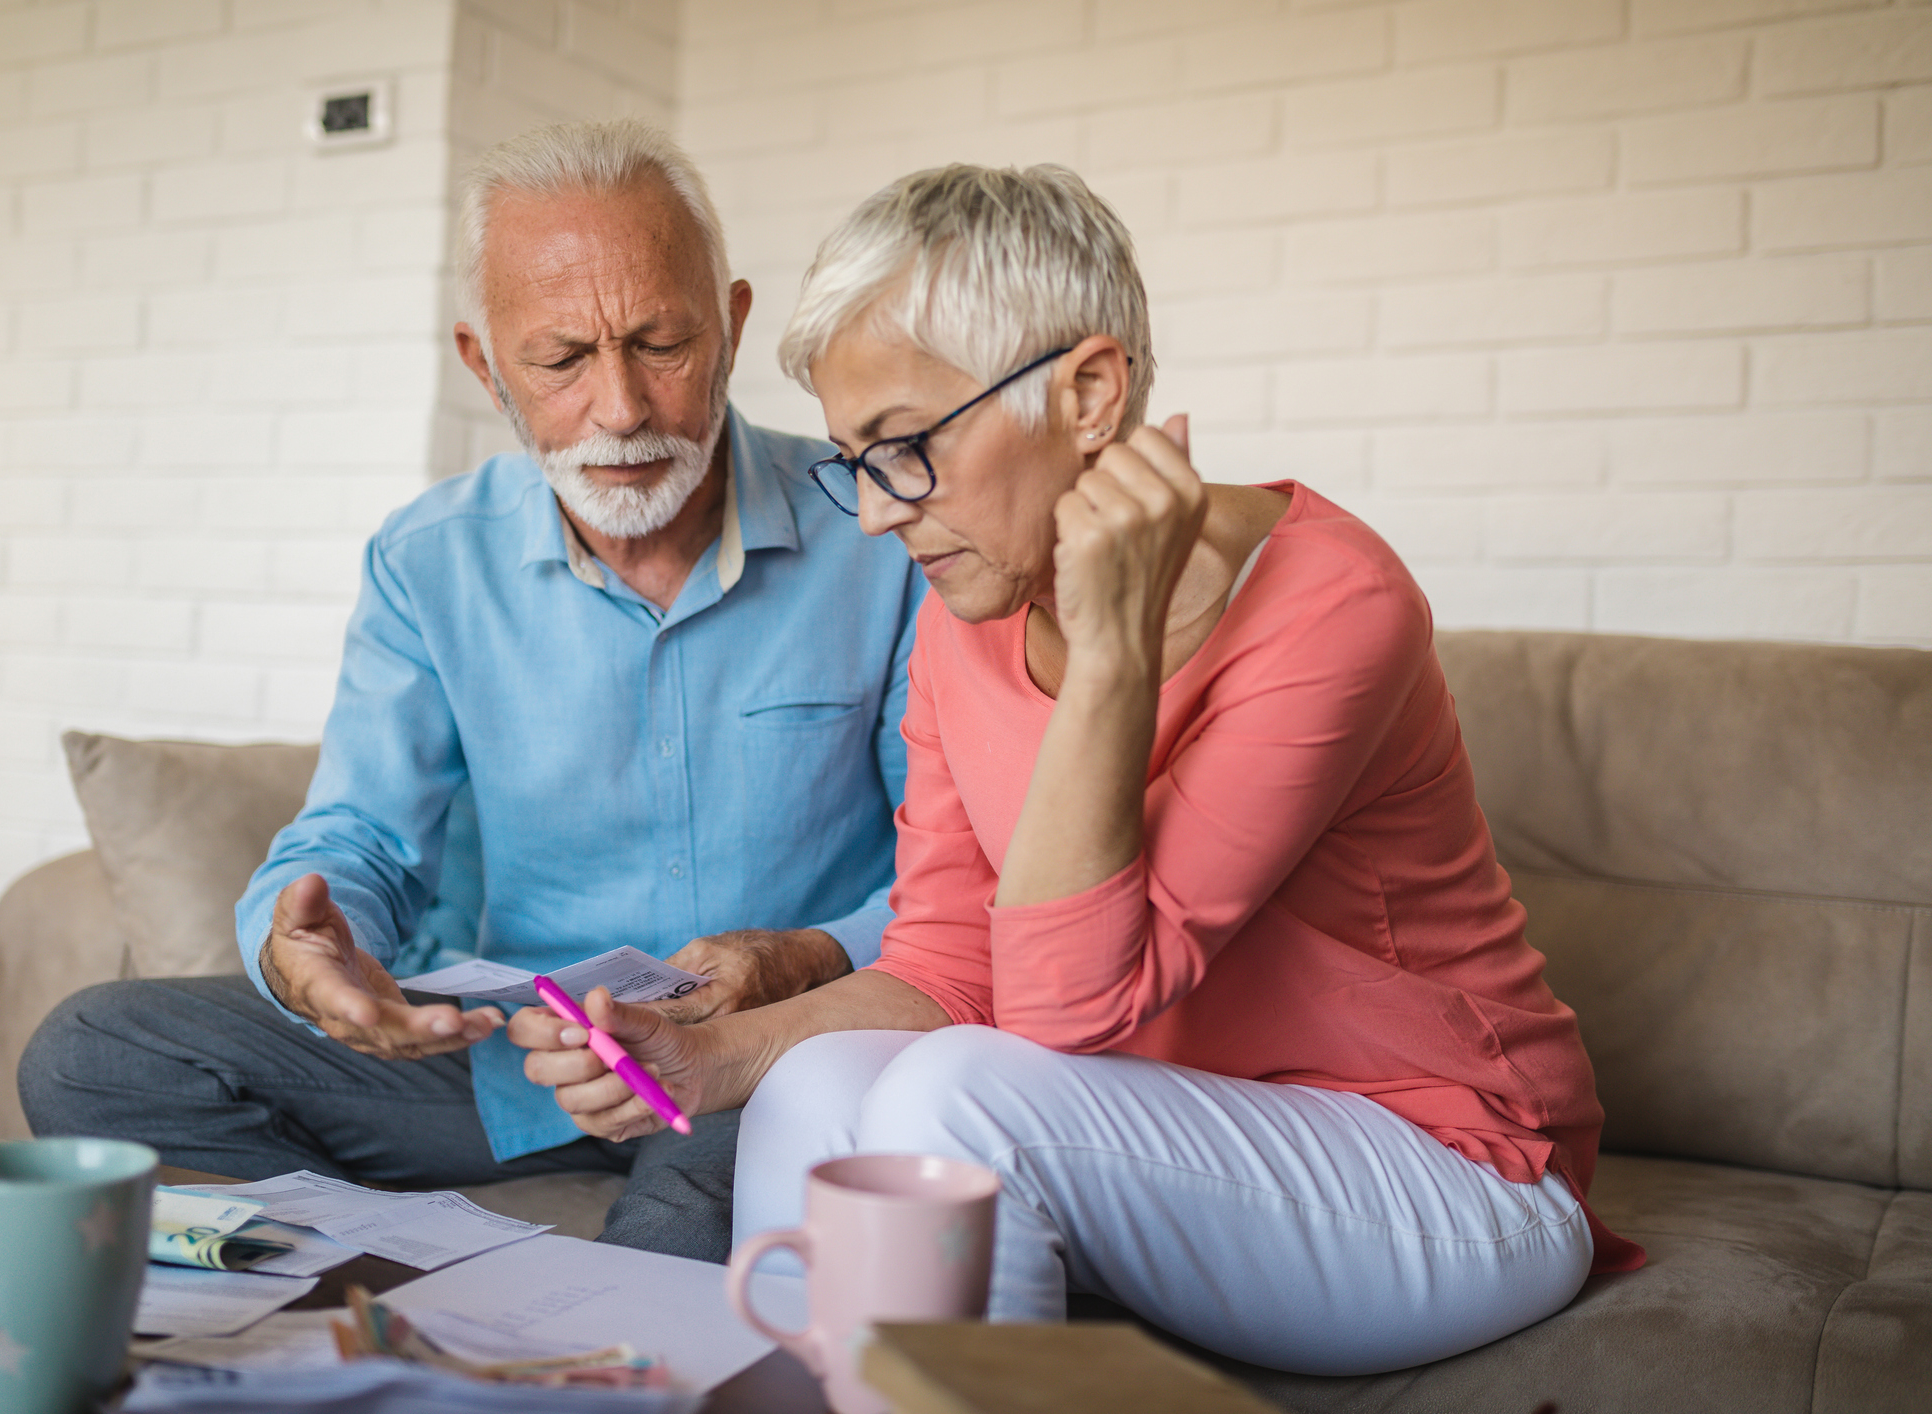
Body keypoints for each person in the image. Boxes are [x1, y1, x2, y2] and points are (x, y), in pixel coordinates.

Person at [510, 163, 1644, 1371]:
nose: (880, 516)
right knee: (815, 1085)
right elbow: (950, 960)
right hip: (1161, 1144)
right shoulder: (964, 610)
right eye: (855, 462)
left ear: (1090, 391)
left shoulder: (1334, 603)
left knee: (953, 1101)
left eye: (903, 449)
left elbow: (1062, 1008)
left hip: (1453, 1173)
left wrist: (1111, 653)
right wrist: (713, 1056)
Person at [18, 120, 923, 1264]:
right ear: (483, 362)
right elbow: (359, 835)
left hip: (764, 1059)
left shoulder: (882, 533)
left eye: (661, 342)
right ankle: (381, 1294)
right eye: (560, 360)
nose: (623, 408)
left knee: (684, 1225)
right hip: (511, 1070)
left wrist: (792, 962)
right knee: (94, 1049)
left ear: (733, 326)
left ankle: (552, 1311)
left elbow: (955, 869)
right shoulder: (428, 559)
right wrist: (316, 945)